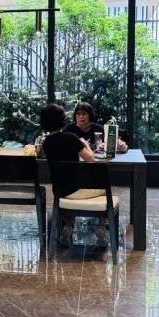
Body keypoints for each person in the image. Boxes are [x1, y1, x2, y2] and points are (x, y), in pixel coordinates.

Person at [35, 104, 105, 245]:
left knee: (68, 184)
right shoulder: (72, 138)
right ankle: (101, 228)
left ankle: (68, 225)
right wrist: (84, 143)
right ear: (62, 120)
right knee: (104, 187)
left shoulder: (46, 143)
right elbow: (91, 160)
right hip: (77, 190)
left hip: (59, 191)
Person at [64, 102, 129, 155]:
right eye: (78, 114)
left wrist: (121, 146)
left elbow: (113, 144)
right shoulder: (69, 129)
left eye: (84, 114)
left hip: (97, 162)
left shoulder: (99, 129)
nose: (81, 117)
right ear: (75, 116)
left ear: (90, 115)